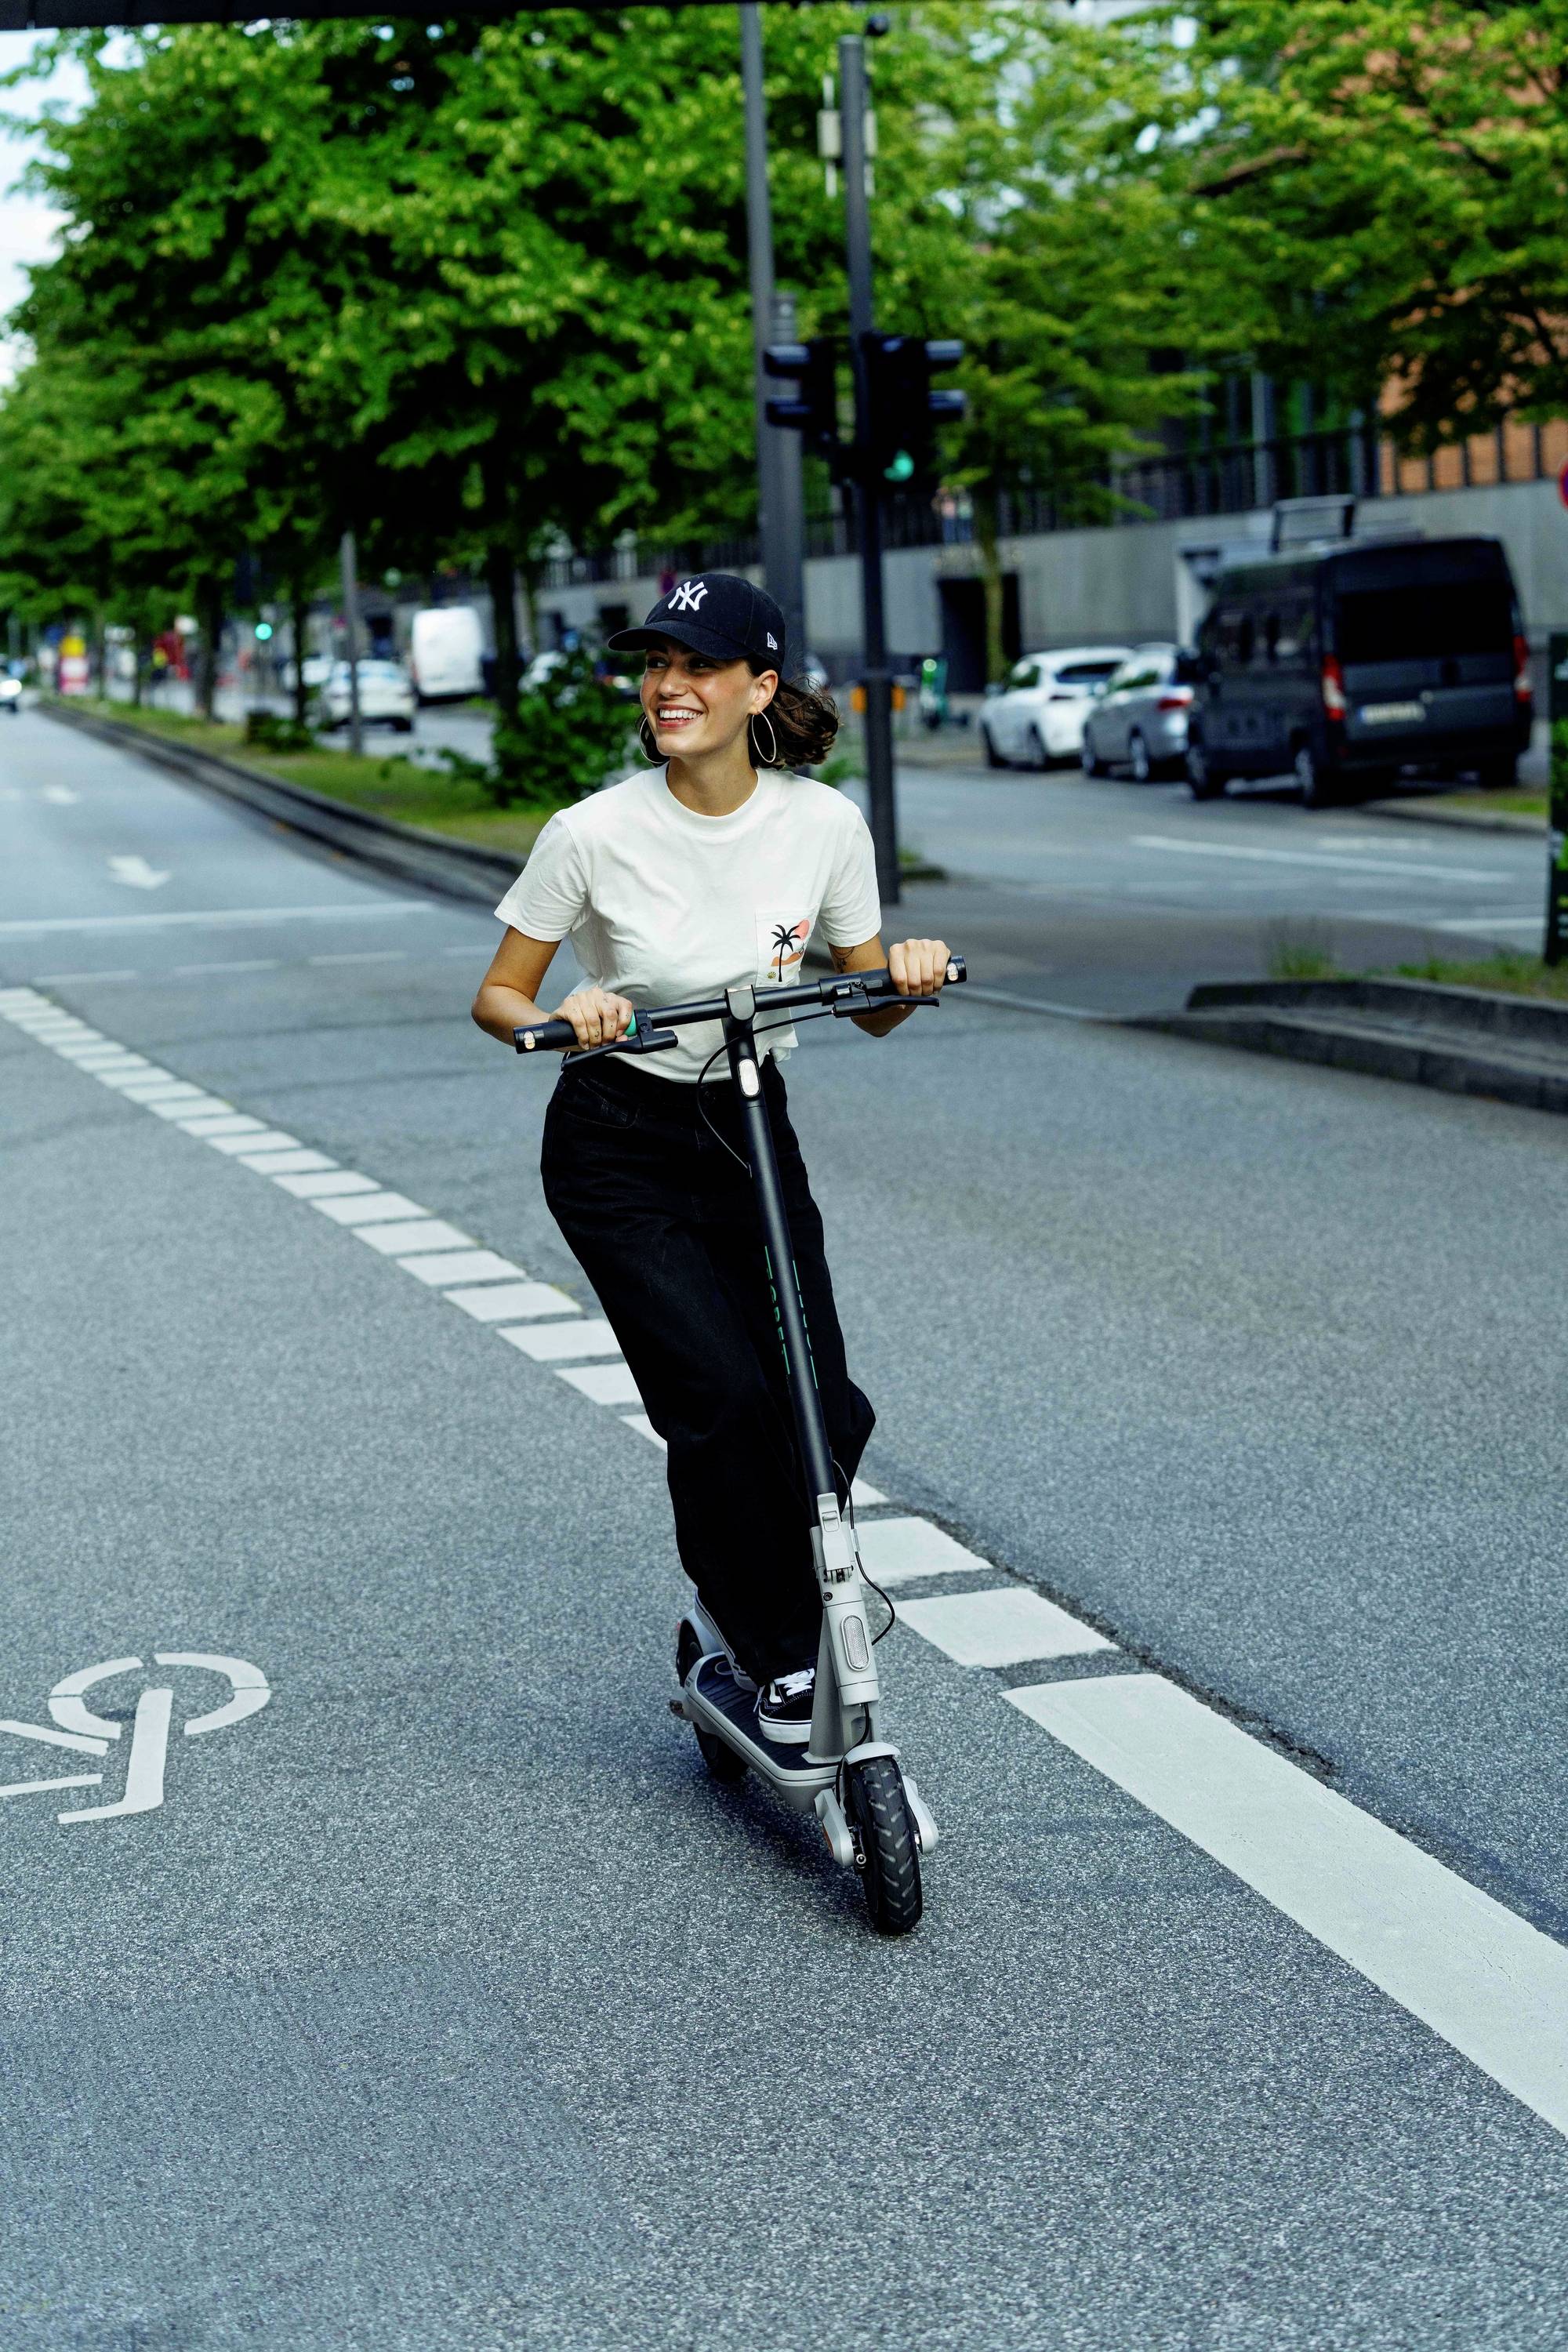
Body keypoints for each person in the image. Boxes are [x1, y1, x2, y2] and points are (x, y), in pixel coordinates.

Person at [473, 574, 949, 1744]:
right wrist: (569, 1012)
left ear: (759, 687)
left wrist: (906, 974)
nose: (667, 686)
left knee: (822, 1403)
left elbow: (870, 1001)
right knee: (721, 1400)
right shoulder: (592, 832)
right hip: (617, 1142)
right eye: (655, 665)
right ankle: (779, 1655)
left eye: (697, 665)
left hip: (747, 1123)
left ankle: (729, 1611)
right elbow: (499, 997)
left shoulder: (822, 827)